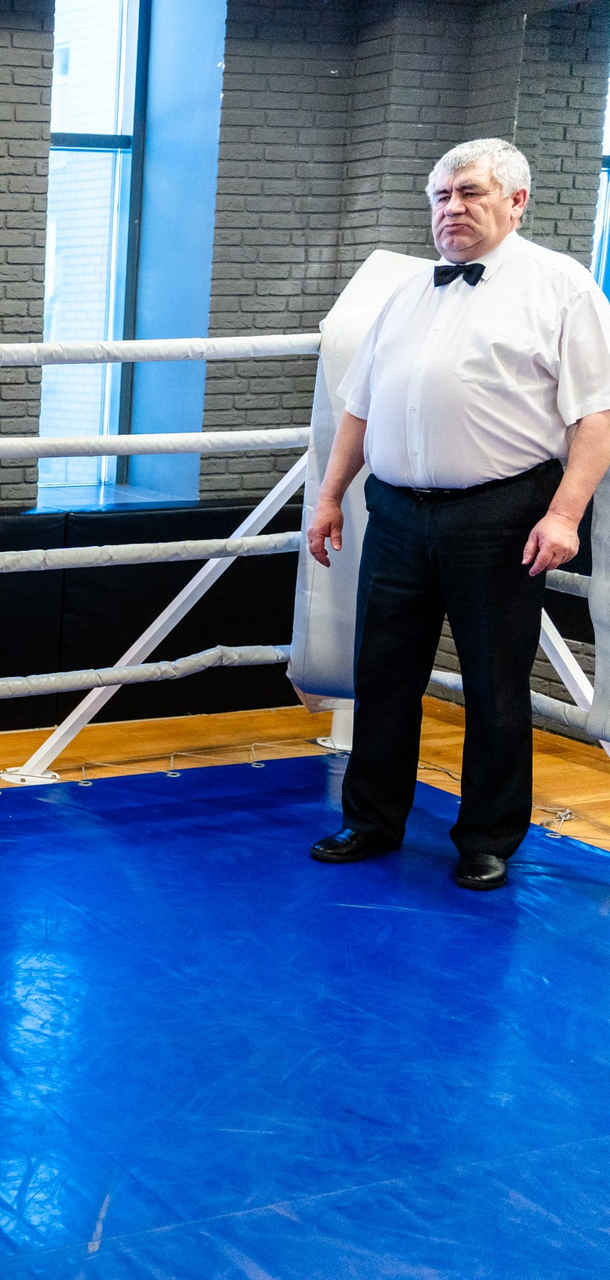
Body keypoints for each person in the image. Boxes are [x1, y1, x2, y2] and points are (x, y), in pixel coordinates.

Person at [307, 137, 610, 890]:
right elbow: (359, 408)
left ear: (517, 201)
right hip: (396, 513)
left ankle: (487, 838)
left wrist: (565, 515)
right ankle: (371, 820)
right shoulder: (408, 292)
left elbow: (597, 418)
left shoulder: (562, 288)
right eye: (441, 195)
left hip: (501, 513)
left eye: (471, 192)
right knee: (383, 674)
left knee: (495, 682)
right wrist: (330, 495)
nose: (452, 208)